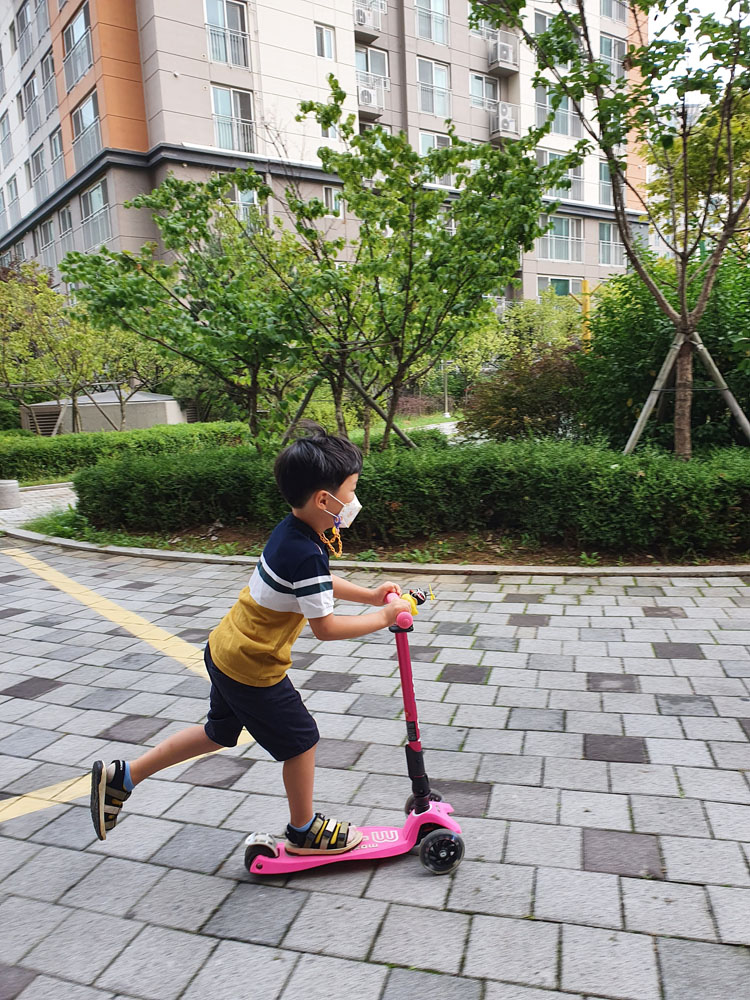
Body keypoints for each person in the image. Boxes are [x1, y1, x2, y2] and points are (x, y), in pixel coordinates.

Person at [90, 425, 411, 855]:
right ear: (324, 499)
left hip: (224, 650)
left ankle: (124, 776)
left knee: (218, 733)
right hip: (253, 668)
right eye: (350, 491)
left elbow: (320, 584)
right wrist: (385, 615)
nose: (353, 501)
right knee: (301, 741)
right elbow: (327, 628)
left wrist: (370, 594)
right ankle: (304, 830)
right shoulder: (307, 552)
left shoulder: (293, 533)